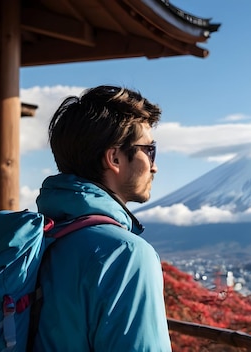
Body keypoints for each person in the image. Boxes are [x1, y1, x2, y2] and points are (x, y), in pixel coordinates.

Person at [32, 85, 171, 351]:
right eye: (149, 150)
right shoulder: (125, 253)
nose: (155, 166)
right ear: (115, 158)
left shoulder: (36, 235)